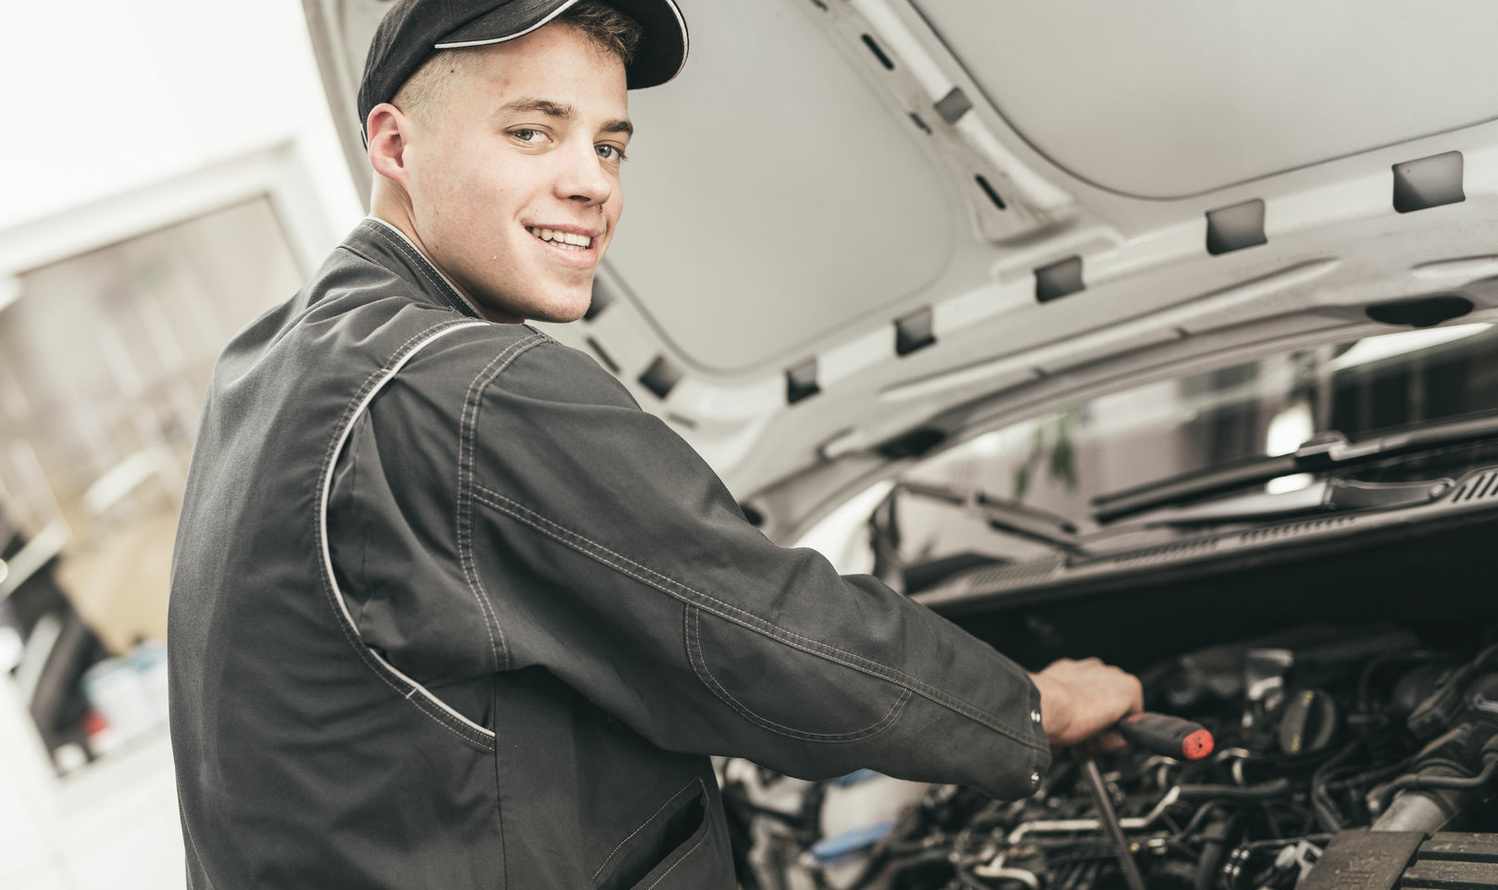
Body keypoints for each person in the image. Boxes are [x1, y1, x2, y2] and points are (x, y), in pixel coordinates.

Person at [167, 1, 1142, 888]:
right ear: (393, 141)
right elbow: (759, 626)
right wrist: (1025, 709)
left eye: (610, 145)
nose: (590, 182)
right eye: (531, 131)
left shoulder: (270, 368)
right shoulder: (468, 388)